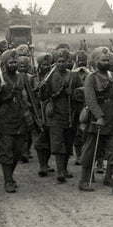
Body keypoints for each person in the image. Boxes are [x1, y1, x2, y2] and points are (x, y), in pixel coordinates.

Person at [79, 47, 113, 195]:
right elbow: (90, 100)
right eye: (103, 60)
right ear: (96, 62)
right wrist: (99, 116)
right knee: (90, 151)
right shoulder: (91, 78)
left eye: (108, 60)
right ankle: (84, 180)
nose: (106, 62)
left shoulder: (112, 77)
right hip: (97, 120)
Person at [0, 49, 30, 193]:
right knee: (7, 152)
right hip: (4, 120)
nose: (14, 64)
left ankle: (10, 176)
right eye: (11, 62)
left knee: (18, 152)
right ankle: (8, 181)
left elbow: (28, 97)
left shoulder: (22, 77)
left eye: (15, 62)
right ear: (5, 64)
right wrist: (0, 91)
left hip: (20, 119)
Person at [39, 48, 75, 183]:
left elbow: (81, 93)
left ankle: (65, 168)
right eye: (58, 61)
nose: (61, 64)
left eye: (64, 61)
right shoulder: (49, 76)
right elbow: (42, 97)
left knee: (68, 142)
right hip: (55, 114)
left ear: (67, 62)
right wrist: (45, 90)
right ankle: (60, 171)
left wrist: (74, 92)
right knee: (58, 142)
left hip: (70, 114)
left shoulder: (73, 76)